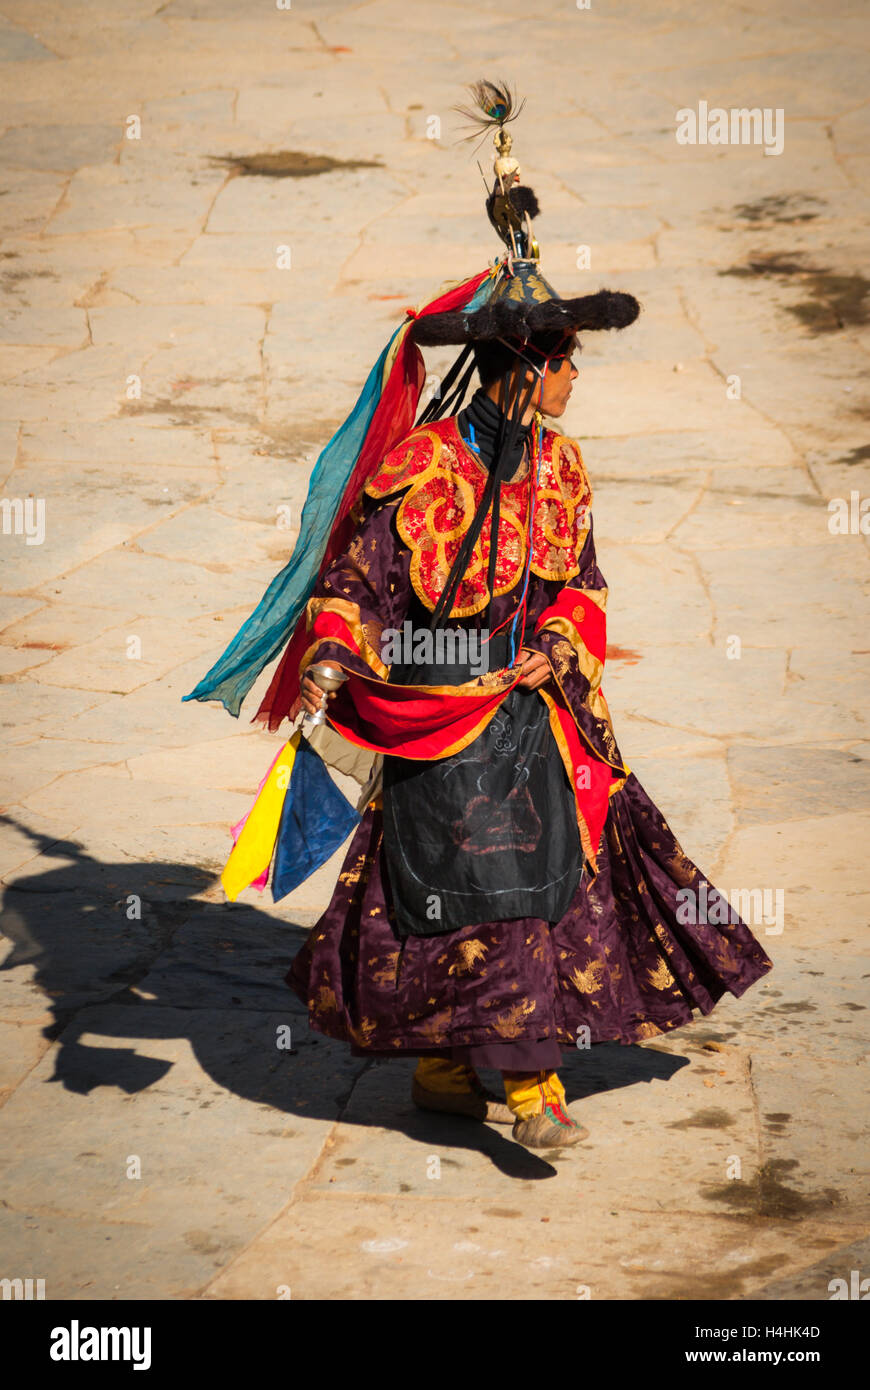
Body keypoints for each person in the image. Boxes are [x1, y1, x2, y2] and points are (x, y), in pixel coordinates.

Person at [184, 81, 773, 1150]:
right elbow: (353, 588)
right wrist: (327, 660)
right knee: (462, 893)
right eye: (563, 362)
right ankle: (498, 1080)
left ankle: (488, 1070)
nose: (575, 379)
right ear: (522, 368)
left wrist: (557, 643)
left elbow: (581, 585)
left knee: (533, 888)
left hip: (530, 707)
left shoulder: (561, 469)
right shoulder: (419, 472)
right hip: (432, 706)